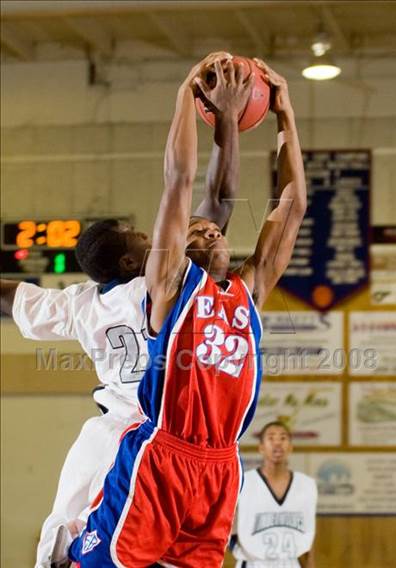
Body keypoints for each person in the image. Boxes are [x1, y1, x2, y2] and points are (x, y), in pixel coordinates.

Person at [62, 56, 307, 568]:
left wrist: (285, 115)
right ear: (178, 253)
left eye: (214, 227)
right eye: (196, 230)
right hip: (162, 456)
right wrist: (182, 92)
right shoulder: (170, 290)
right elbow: (179, 180)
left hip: (221, 465)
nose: (211, 228)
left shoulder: (249, 290)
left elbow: (292, 205)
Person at [0, 50, 238, 568]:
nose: (152, 236)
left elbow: (10, 293)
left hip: (106, 433)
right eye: (140, 236)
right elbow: (214, 196)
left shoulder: (80, 302)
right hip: (158, 436)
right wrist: (223, 120)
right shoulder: (165, 282)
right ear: (133, 259)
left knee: (62, 539)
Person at [231, 421, 317, 568]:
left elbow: (308, 533)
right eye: (271, 438)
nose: (277, 443)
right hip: (253, 563)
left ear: (290, 447)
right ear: (261, 448)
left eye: (283, 438)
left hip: (291, 563)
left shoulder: (306, 484)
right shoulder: (243, 482)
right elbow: (227, 527)